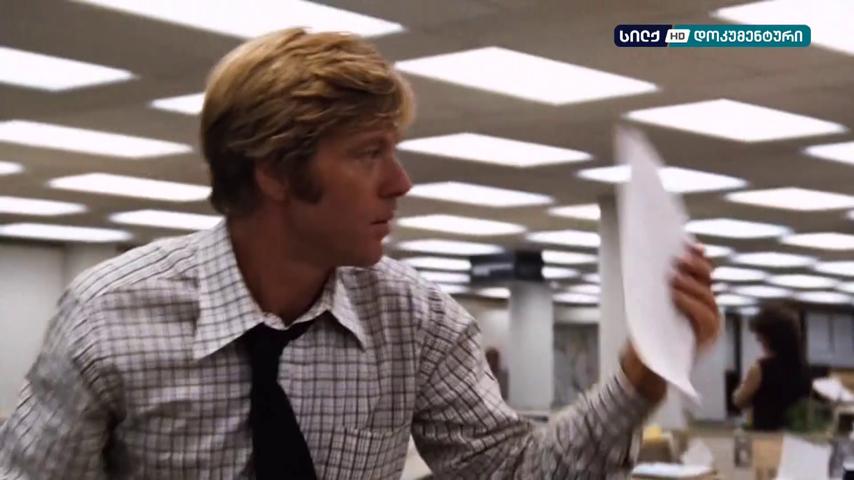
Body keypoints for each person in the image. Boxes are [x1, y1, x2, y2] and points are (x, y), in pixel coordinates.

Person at [0, 28, 719, 479]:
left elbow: (511, 472)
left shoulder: (414, 320)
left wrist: (642, 376)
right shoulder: (111, 314)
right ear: (275, 172)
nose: (400, 182)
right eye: (369, 153)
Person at [733, 304, 811, 431]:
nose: (758, 340)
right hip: (796, 435)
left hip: (766, 435)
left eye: (760, 337)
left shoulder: (760, 368)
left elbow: (739, 401)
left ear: (770, 338)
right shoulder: (804, 368)